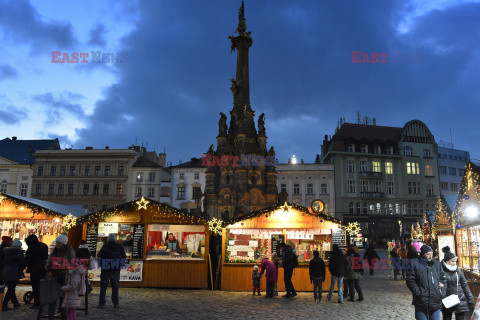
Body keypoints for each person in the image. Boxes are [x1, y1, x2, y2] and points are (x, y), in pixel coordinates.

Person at [406, 244, 446, 320]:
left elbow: (443, 278)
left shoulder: (437, 264)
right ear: (422, 254)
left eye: (431, 254)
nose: (430, 256)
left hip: (436, 301)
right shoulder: (415, 264)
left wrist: (442, 292)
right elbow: (410, 280)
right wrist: (418, 293)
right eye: (427, 254)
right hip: (421, 301)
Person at [46, 234, 75, 320]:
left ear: (64, 243)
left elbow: (73, 263)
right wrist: (48, 267)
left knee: (63, 297)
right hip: (54, 275)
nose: (58, 244)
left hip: (65, 276)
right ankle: (51, 315)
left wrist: (65, 266)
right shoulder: (54, 250)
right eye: (57, 242)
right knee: (53, 297)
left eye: (59, 243)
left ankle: (63, 315)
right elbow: (49, 260)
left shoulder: (69, 251)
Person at [441, 246, 474, 320]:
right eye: (452, 261)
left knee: (460, 318)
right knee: (446, 318)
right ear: (447, 261)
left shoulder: (458, 270)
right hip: (447, 299)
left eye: (455, 261)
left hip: (460, 298)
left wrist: (470, 297)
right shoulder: (441, 270)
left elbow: (464, 284)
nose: (454, 263)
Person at [97, 233, 126, 309]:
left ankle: (102, 303)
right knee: (115, 286)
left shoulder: (105, 246)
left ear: (108, 239)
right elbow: (124, 256)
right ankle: (116, 303)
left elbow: (99, 255)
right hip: (115, 269)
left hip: (105, 269)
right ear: (115, 239)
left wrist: (102, 265)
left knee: (103, 287)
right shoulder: (119, 246)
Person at [2, 239, 26, 311]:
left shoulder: (6, 252)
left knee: (11, 288)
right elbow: (23, 262)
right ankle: (4, 304)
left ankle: (15, 302)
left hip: (5, 271)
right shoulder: (18, 252)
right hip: (14, 272)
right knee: (11, 289)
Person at [25, 234, 49, 309]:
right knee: (43, 285)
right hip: (44, 269)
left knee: (35, 287)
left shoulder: (31, 248)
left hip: (34, 270)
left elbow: (27, 259)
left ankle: (36, 303)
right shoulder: (44, 246)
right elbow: (46, 257)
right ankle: (44, 301)